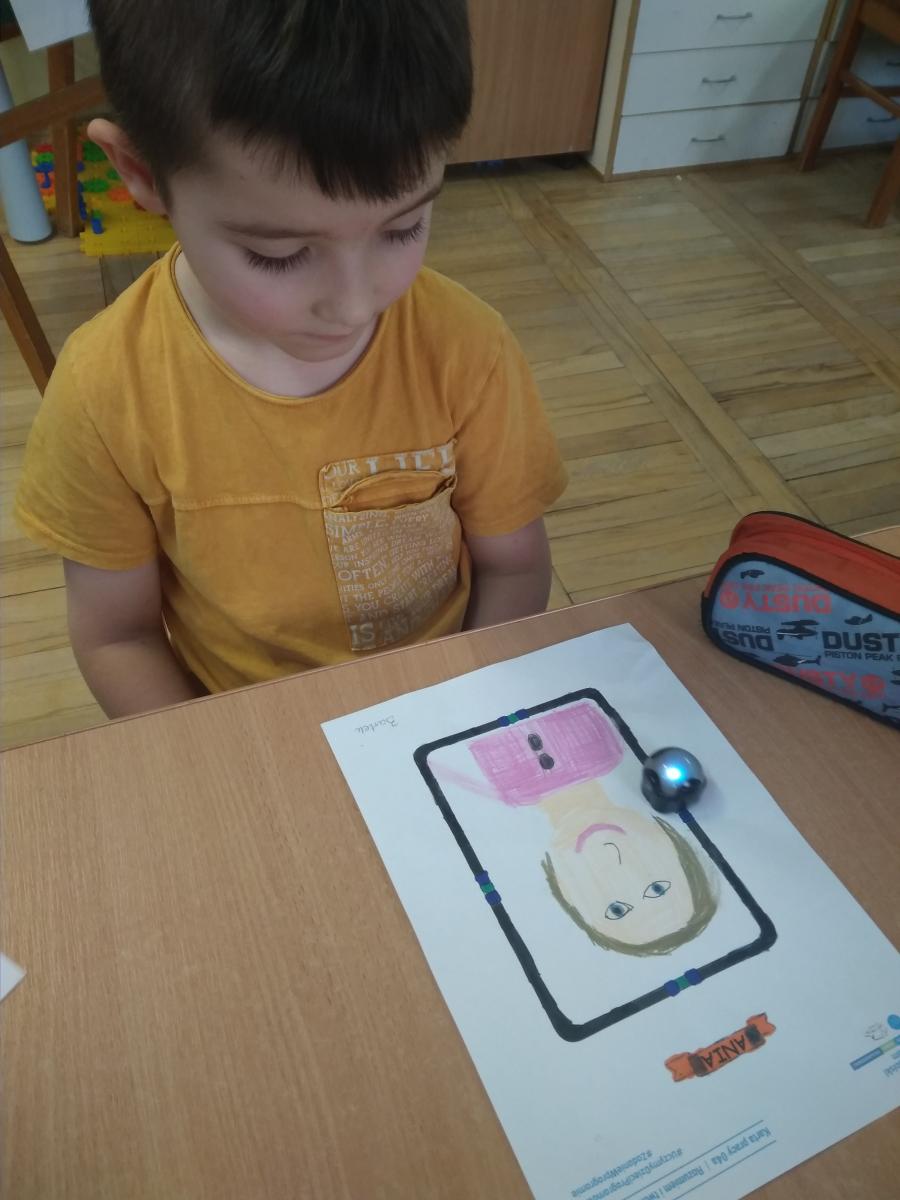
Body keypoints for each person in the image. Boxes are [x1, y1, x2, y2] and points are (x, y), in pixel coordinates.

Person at [14, 0, 566, 719]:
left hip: (440, 710)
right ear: (140, 173)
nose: (354, 305)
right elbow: (117, 637)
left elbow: (514, 568)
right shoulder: (104, 392)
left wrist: (468, 713)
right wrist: (221, 761)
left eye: (404, 227)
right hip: (239, 729)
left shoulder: (467, 348)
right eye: (279, 255)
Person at [464, 702, 718, 955]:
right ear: (672, 843)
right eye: (657, 888)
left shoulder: (479, 792)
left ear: (566, 894)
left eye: (616, 909)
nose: (616, 865)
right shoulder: (601, 740)